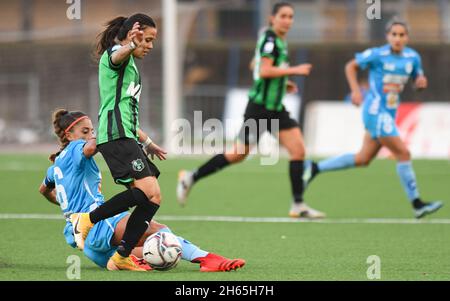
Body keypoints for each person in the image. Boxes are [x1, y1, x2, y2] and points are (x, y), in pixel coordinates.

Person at [39, 109, 246, 272]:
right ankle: (207, 259)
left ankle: (124, 259)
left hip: (90, 246)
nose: (90, 135)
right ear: (69, 135)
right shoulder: (76, 148)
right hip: (100, 227)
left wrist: (66, 208)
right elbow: (92, 147)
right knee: (159, 230)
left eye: (91, 131)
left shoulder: (54, 166)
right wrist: (112, 127)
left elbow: (44, 190)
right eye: (85, 132)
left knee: (147, 244)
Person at [177, 2, 325, 219]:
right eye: (283, 16)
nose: (287, 20)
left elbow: (254, 66)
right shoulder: (271, 40)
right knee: (237, 154)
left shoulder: (278, 41)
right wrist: (294, 70)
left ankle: (298, 204)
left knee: (298, 151)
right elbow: (264, 70)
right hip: (259, 109)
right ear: (272, 18)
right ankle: (191, 177)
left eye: (291, 16)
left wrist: (283, 83)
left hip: (276, 108)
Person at [303, 19, 443, 219]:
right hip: (375, 111)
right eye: (394, 34)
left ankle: (315, 167)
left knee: (363, 159)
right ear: (387, 36)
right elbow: (350, 66)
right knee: (403, 153)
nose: (397, 38)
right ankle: (417, 204)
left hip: (389, 113)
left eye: (402, 35)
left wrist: (420, 84)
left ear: (407, 38)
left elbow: (417, 82)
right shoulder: (377, 54)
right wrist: (355, 91)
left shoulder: (413, 58)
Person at [68, 13, 169, 271]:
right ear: (132, 35)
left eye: (151, 41)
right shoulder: (116, 55)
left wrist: (148, 143)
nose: (149, 45)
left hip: (126, 136)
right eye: (146, 39)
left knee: (153, 197)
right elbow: (115, 57)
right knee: (148, 191)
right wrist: (131, 46)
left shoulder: (132, 67)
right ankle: (86, 220)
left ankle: (122, 255)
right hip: (115, 137)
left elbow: (129, 114)